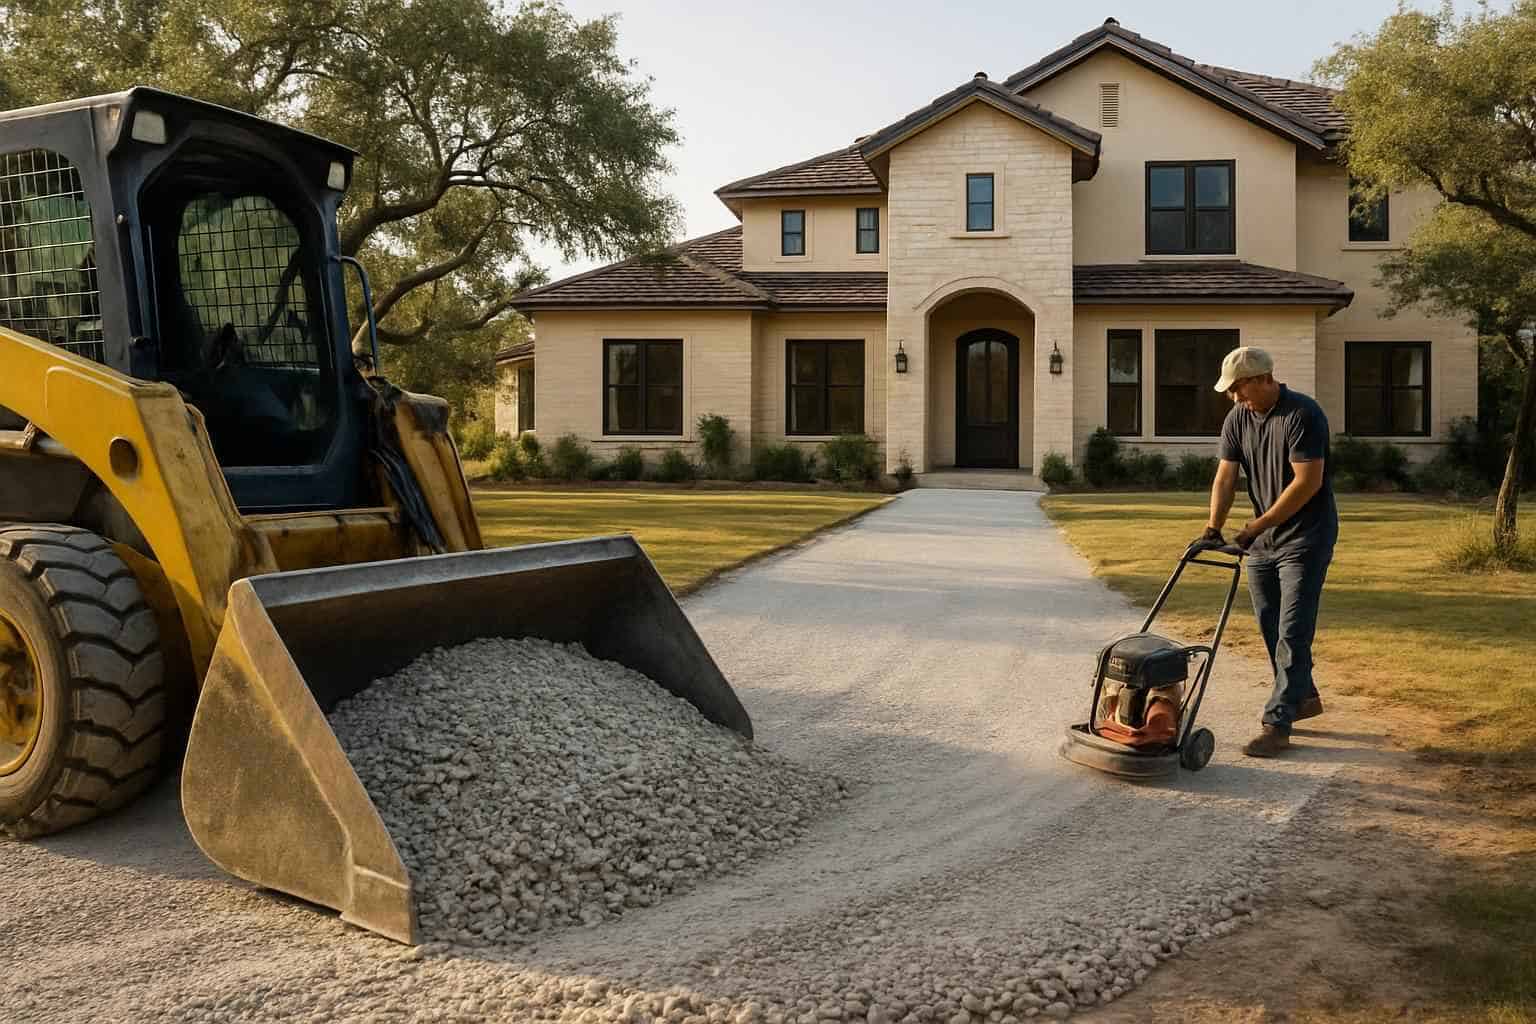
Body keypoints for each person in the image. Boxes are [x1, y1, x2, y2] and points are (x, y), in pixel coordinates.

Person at [1199, 347, 1338, 758]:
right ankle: (1304, 696)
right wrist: (1213, 528)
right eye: (1231, 391)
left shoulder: (1303, 415)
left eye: (1239, 388)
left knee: (1292, 630)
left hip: (1306, 538)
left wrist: (1255, 526)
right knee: (1269, 624)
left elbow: (1307, 483)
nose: (1234, 398)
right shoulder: (1237, 418)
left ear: (1263, 379)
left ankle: (1276, 723)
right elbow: (1226, 476)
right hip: (1264, 540)